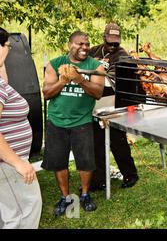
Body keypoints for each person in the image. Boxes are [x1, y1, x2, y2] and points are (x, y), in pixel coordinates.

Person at [42, 31, 105, 216]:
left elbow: (98, 92)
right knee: (59, 162)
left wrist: (79, 79)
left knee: (85, 162)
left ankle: (85, 195)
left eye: (87, 44)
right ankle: (65, 197)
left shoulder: (95, 66)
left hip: (82, 121)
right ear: (70, 44)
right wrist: (63, 81)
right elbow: (46, 93)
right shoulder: (55, 64)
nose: (84, 47)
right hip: (56, 121)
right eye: (80, 44)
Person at [0, 27, 42, 228]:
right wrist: (18, 162)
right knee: (26, 212)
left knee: (10, 215)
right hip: (8, 164)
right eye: (7, 46)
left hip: (7, 165)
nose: (8, 51)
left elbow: (4, 81)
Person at [89, 23, 139, 190]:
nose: (112, 46)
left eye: (116, 43)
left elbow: (122, 78)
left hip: (114, 102)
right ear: (104, 38)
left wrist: (98, 69)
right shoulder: (94, 51)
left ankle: (130, 174)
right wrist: (93, 64)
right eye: (110, 42)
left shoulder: (123, 55)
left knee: (118, 141)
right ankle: (99, 179)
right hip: (95, 102)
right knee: (96, 143)